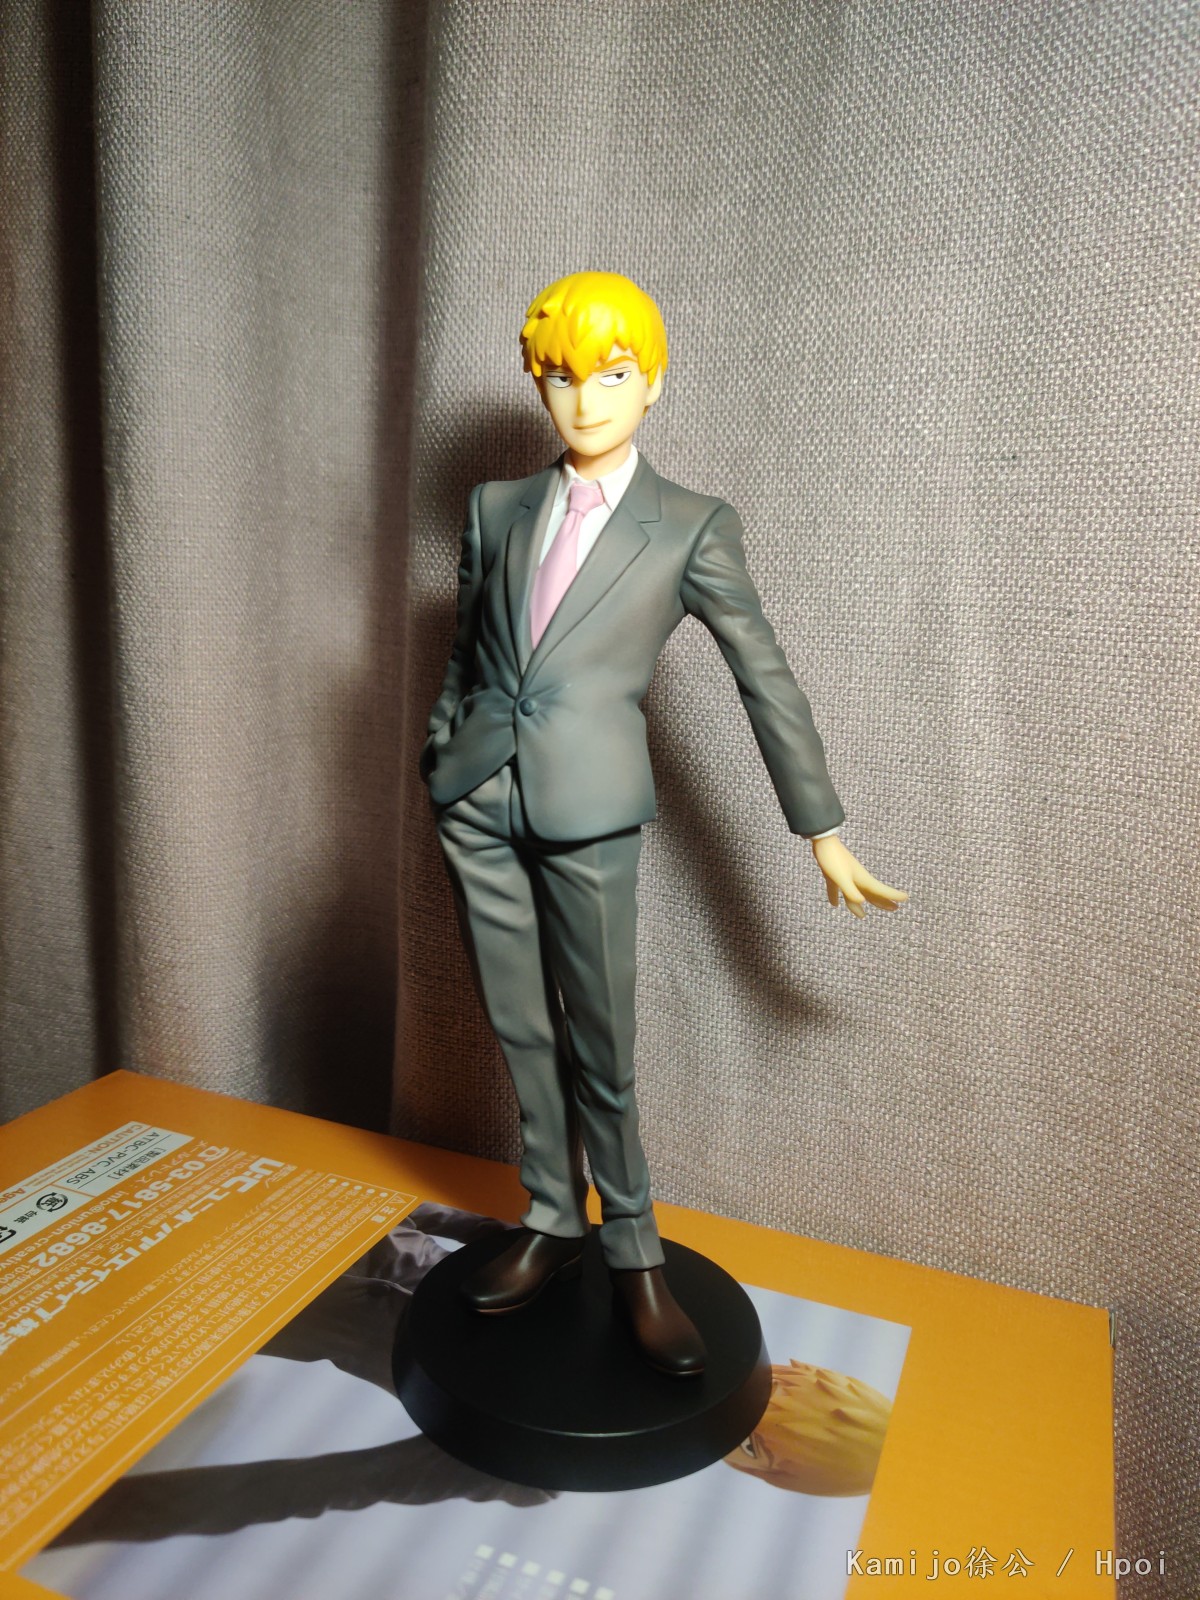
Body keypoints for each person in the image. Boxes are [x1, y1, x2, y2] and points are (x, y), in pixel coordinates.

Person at [420, 271, 905, 1376]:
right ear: (537, 385)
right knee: (520, 1028)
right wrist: (442, 758)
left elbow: (763, 677)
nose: (585, 401)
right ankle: (552, 1216)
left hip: (590, 812)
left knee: (603, 1041)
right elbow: (464, 653)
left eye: (612, 374)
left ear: (653, 382)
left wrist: (820, 828)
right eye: (560, 378)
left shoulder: (689, 525)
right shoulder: (495, 507)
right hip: (479, 804)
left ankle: (631, 1246)